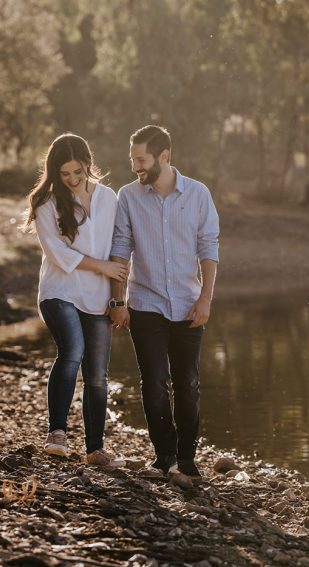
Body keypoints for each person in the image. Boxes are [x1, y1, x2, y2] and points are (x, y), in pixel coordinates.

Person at [109, 125, 220, 477]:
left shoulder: (199, 195)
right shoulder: (128, 196)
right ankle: (164, 457)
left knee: (188, 384)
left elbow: (209, 249)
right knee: (154, 382)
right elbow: (119, 251)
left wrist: (205, 300)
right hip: (146, 303)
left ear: (164, 156)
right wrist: (117, 302)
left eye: (141, 160)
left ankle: (186, 461)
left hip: (188, 304)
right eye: (133, 160)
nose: (135, 167)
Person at [22, 133, 128, 466]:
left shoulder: (109, 198)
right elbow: (57, 253)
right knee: (73, 350)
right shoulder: (46, 203)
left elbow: (119, 249)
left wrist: (117, 300)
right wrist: (102, 266)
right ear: (55, 172)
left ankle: (95, 449)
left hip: (98, 297)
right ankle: (57, 435)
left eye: (77, 172)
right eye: (64, 174)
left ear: (88, 163)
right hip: (60, 291)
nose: (71, 179)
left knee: (97, 374)